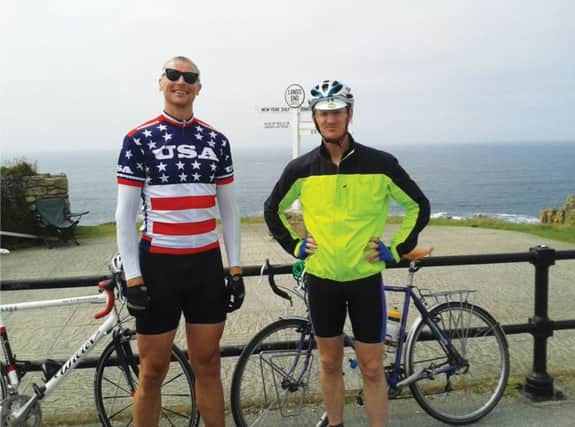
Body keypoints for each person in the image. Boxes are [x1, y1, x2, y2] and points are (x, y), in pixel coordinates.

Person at [264, 80, 430, 427]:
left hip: (364, 280)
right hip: (322, 280)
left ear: (349, 114)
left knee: (371, 367)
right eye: (323, 113)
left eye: (336, 112)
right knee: (328, 363)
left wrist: (395, 250)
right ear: (315, 118)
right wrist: (295, 245)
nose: (330, 119)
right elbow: (272, 209)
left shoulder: (381, 163)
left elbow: (418, 205)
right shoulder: (301, 168)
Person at [115, 55, 244, 427]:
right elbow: (124, 216)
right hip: (158, 266)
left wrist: (235, 269)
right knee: (153, 370)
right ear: (161, 82)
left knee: (208, 364)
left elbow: (230, 211)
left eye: (189, 77)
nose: (180, 81)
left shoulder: (217, 141)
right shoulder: (138, 139)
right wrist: (133, 276)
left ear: (198, 87)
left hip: (205, 265)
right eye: (173, 74)